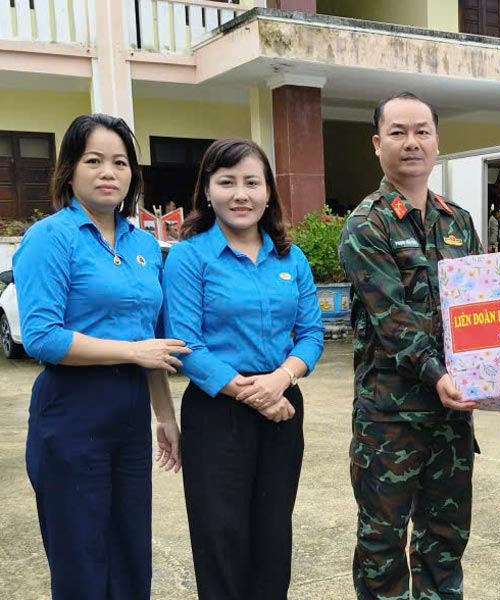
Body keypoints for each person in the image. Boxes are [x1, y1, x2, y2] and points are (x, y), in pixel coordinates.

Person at [14, 113, 187, 600]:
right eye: (94, 160)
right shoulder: (51, 238)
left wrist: (165, 416)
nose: (108, 172)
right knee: (81, 556)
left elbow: (154, 341)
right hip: (71, 412)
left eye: (119, 162)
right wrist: (133, 351)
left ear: (133, 173)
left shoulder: (144, 246)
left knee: (132, 550)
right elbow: (44, 337)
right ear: (70, 170)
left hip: (130, 413)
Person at [163, 138, 324, 599]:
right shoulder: (190, 258)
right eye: (227, 182)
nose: (241, 194)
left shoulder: (290, 258)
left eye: (252, 182)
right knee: (220, 537)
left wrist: (279, 381)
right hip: (216, 411)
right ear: (207, 191)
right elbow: (186, 344)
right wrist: (251, 394)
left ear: (268, 192)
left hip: (283, 408)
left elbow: (312, 334)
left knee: (273, 535)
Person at [339, 91, 482, 600]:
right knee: (381, 545)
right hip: (390, 421)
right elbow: (393, 320)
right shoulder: (366, 225)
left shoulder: (459, 222)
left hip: (451, 417)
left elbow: (481, 311)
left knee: (445, 542)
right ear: (378, 144)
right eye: (398, 132)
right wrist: (440, 373)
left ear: (437, 141)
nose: (411, 142)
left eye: (422, 130)